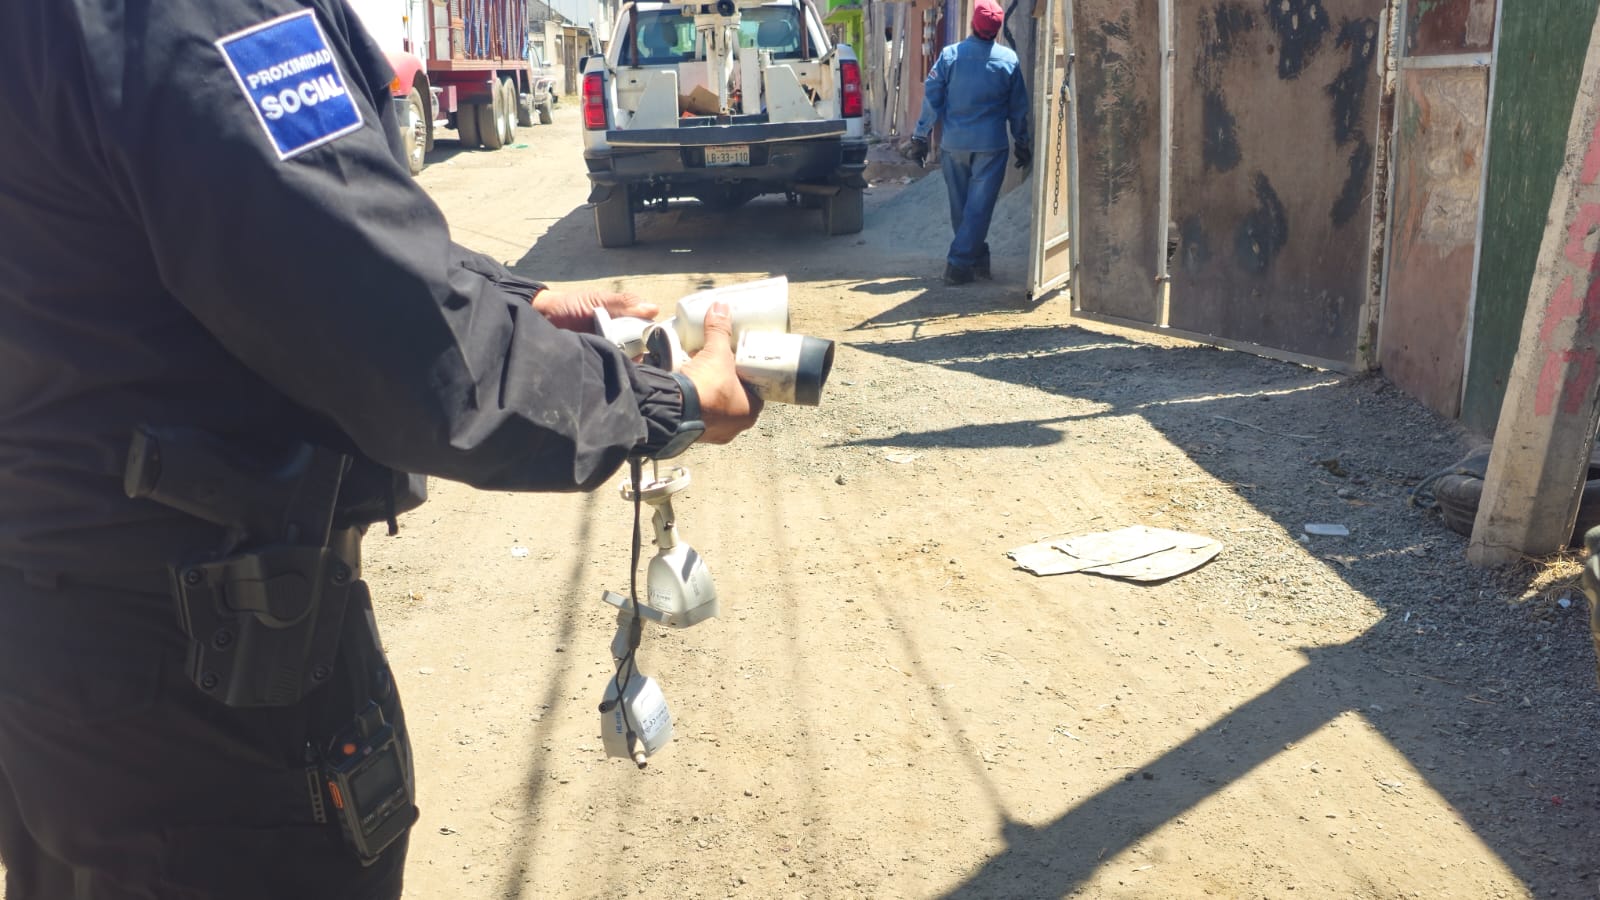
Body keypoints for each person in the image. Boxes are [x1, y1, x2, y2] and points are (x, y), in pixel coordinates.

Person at [0, 2, 761, 898]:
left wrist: (511, 296)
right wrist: (667, 402)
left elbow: (301, 228)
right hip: (205, 689)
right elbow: (392, 333)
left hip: (64, 644)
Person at [907, 0, 1032, 285]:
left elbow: (932, 100)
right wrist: (1022, 142)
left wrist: (920, 136)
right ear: (997, 29)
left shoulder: (950, 56)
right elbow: (1018, 109)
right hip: (991, 147)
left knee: (961, 208)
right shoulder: (1008, 60)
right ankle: (960, 263)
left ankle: (974, 258)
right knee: (978, 208)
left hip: (954, 145)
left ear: (974, 24)